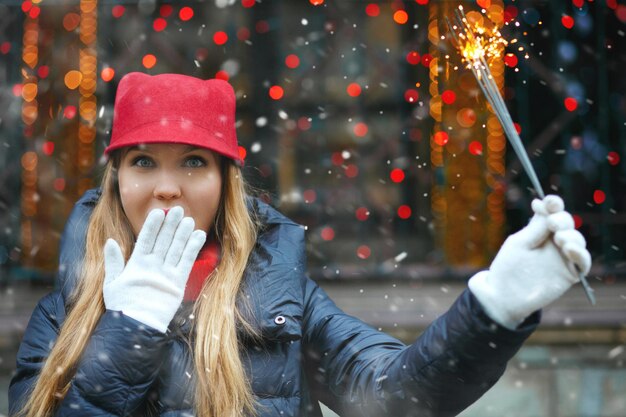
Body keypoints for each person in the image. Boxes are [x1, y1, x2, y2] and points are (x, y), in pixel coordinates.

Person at [9, 72, 591, 417]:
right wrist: (127, 332)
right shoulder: (69, 304)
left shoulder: (282, 296)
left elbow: (396, 395)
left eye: (193, 162)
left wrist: (495, 309)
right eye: (142, 161)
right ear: (117, 180)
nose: (167, 187)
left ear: (224, 181)